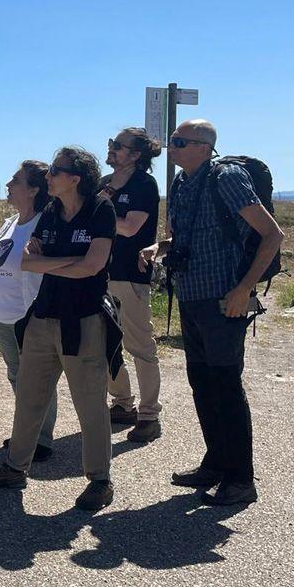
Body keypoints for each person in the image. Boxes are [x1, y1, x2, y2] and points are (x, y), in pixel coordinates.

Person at [140, 119, 283, 506]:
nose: (173, 146)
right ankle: (216, 463)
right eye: (173, 140)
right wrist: (161, 249)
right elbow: (183, 237)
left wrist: (243, 289)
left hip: (224, 301)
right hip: (191, 297)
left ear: (204, 147)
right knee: (202, 383)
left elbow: (272, 235)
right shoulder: (182, 183)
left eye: (180, 141)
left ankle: (240, 479)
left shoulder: (227, 177)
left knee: (225, 386)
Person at [0, 147, 120, 511]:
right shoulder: (51, 212)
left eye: (56, 171)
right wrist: (71, 262)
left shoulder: (101, 210)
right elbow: (27, 262)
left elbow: (94, 266)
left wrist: (51, 262)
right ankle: (15, 467)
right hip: (43, 318)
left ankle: (100, 481)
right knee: (28, 396)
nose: (49, 176)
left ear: (76, 178)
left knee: (90, 406)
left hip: (83, 321)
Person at [0, 161, 56, 461]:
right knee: (17, 375)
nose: (8, 184)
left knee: (38, 377)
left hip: (30, 314)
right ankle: (27, 430)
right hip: (2, 314)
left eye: (16, 180)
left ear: (34, 189)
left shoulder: (45, 224)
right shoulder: (10, 222)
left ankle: (42, 439)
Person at [98, 128, 164, 443]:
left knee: (140, 347)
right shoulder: (103, 184)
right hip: (100, 274)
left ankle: (149, 415)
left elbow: (130, 227)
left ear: (135, 155)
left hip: (130, 275)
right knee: (104, 343)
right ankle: (123, 403)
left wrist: (99, 211)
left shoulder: (144, 185)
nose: (111, 149)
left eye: (118, 146)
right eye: (111, 143)